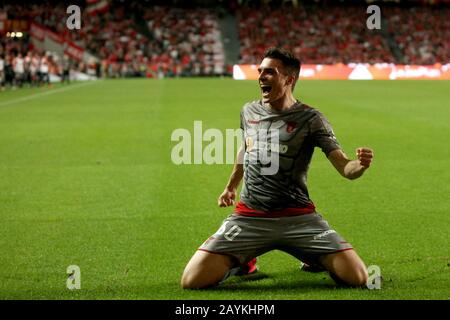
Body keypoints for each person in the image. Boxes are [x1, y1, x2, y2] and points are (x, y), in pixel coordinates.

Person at [181, 47, 374, 289]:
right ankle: (243, 261)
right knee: (192, 280)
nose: (261, 76)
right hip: (249, 217)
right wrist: (231, 186)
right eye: (260, 71)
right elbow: (246, 149)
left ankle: (312, 255)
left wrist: (360, 165)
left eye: (269, 72)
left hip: (299, 218)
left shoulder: (311, 119)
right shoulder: (248, 111)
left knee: (357, 278)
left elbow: (345, 167)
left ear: (289, 79)